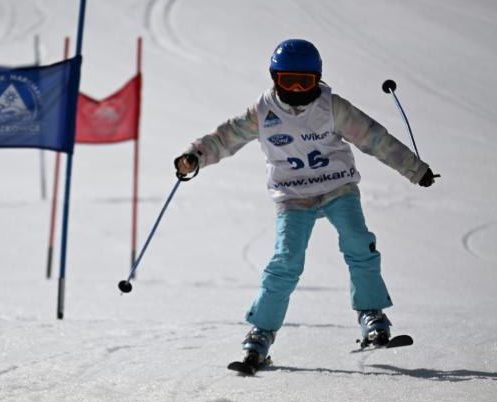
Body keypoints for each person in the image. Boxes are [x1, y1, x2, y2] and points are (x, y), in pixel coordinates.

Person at [174, 39, 437, 365]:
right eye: (289, 81)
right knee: (286, 260)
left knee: (359, 242)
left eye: (305, 82)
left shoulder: (331, 107)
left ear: (318, 79)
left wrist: (415, 169)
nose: (297, 90)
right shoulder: (263, 112)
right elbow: (226, 137)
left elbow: (374, 138)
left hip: (337, 187)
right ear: (275, 79)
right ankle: (261, 333)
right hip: (293, 196)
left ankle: (372, 314)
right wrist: (194, 156)